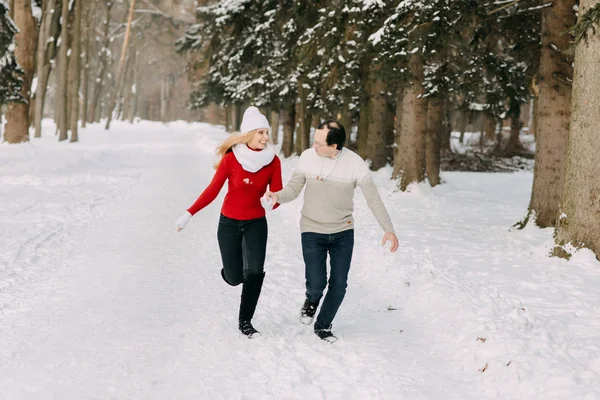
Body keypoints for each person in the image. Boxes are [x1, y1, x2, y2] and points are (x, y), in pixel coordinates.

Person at [263, 120, 398, 342]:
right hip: (312, 229)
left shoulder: (355, 164)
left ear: (334, 145)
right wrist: (278, 196)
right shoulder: (308, 157)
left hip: (343, 232)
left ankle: (323, 325)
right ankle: (312, 299)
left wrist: (389, 230)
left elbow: (373, 198)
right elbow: (294, 188)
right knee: (317, 282)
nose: (313, 147)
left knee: (339, 283)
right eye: (314, 141)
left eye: (318, 143)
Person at [175, 106, 282, 339]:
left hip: (256, 223)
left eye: (266, 132)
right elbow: (213, 191)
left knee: (254, 272)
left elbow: (277, 194)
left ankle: (245, 321)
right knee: (235, 278)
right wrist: (189, 213)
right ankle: (231, 273)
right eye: (260, 132)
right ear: (248, 134)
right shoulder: (232, 159)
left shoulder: (273, 162)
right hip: (229, 224)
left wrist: (271, 202)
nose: (266, 137)